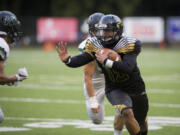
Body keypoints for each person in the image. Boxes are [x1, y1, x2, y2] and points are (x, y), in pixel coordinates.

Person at [56, 14, 149, 135]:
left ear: (117, 31)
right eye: (102, 31)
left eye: (108, 31)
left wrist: (106, 62)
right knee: (126, 112)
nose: (104, 34)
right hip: (114, 87)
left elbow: (128, 68)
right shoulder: (95, 44)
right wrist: (68, 61)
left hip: (135, 86)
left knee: (141, 120)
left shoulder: (129, 44)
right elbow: (83, 59)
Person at [78, 13, 124, 135]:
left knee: (124, 110)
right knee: (97, 120)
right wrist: (92, 100)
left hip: (113, 80)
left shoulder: (118, 42)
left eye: (106, 30)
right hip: (95, 83)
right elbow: (87, 76)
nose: (101, 34)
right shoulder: (88, 46)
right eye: (95, 31)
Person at [0, 11, 29, 123]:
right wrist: (17, 77)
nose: (15, 31)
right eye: (13, 27)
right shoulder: (1, 44)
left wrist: (10, 80)